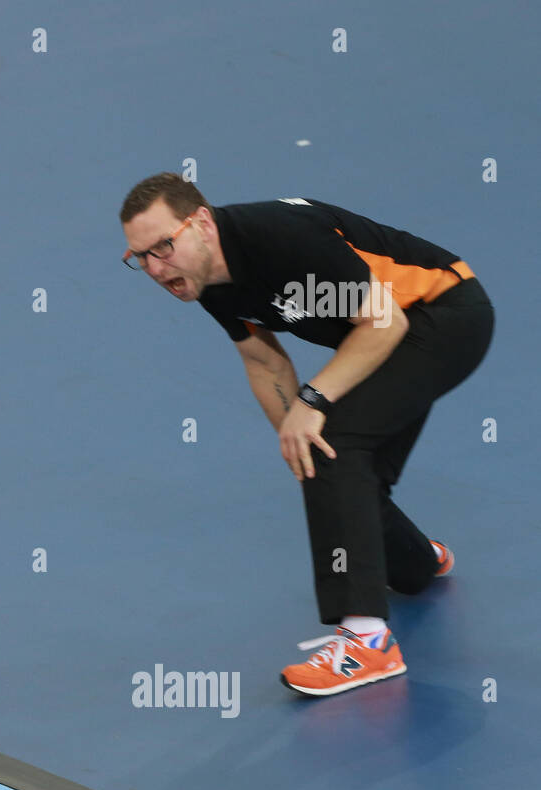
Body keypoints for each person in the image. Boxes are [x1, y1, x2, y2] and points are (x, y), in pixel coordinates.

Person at [119, 173, 493, 696]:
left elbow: (384, 322)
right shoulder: (203, 274)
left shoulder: (281, 238)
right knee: (325, 457)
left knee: (335, 451)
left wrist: (312, 405)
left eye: (163, 246)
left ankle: (367, 643)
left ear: (201, 222)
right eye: (140, 257)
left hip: (441, 316)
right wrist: (301, 451)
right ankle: (417, 562)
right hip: (385, 332)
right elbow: (262, 360)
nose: (157, 268)